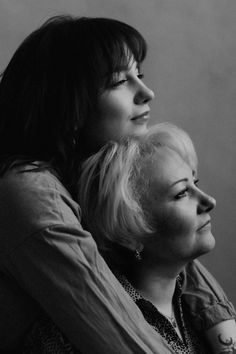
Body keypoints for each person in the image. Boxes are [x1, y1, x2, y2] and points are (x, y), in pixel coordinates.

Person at [0, 15, 235, 353]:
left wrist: (222, 327)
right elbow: (114, 330)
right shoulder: (29, 191)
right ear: (68, 101)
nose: (146, 92)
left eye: (138, 76)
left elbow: (178, 261)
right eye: (117, 82)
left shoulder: (81, 174)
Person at [77, 122, 217, 353]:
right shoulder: (80, 332)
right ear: (130, 229)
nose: (209, 201)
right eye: (182, 193)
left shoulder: (205, 312)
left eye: (196, 183)